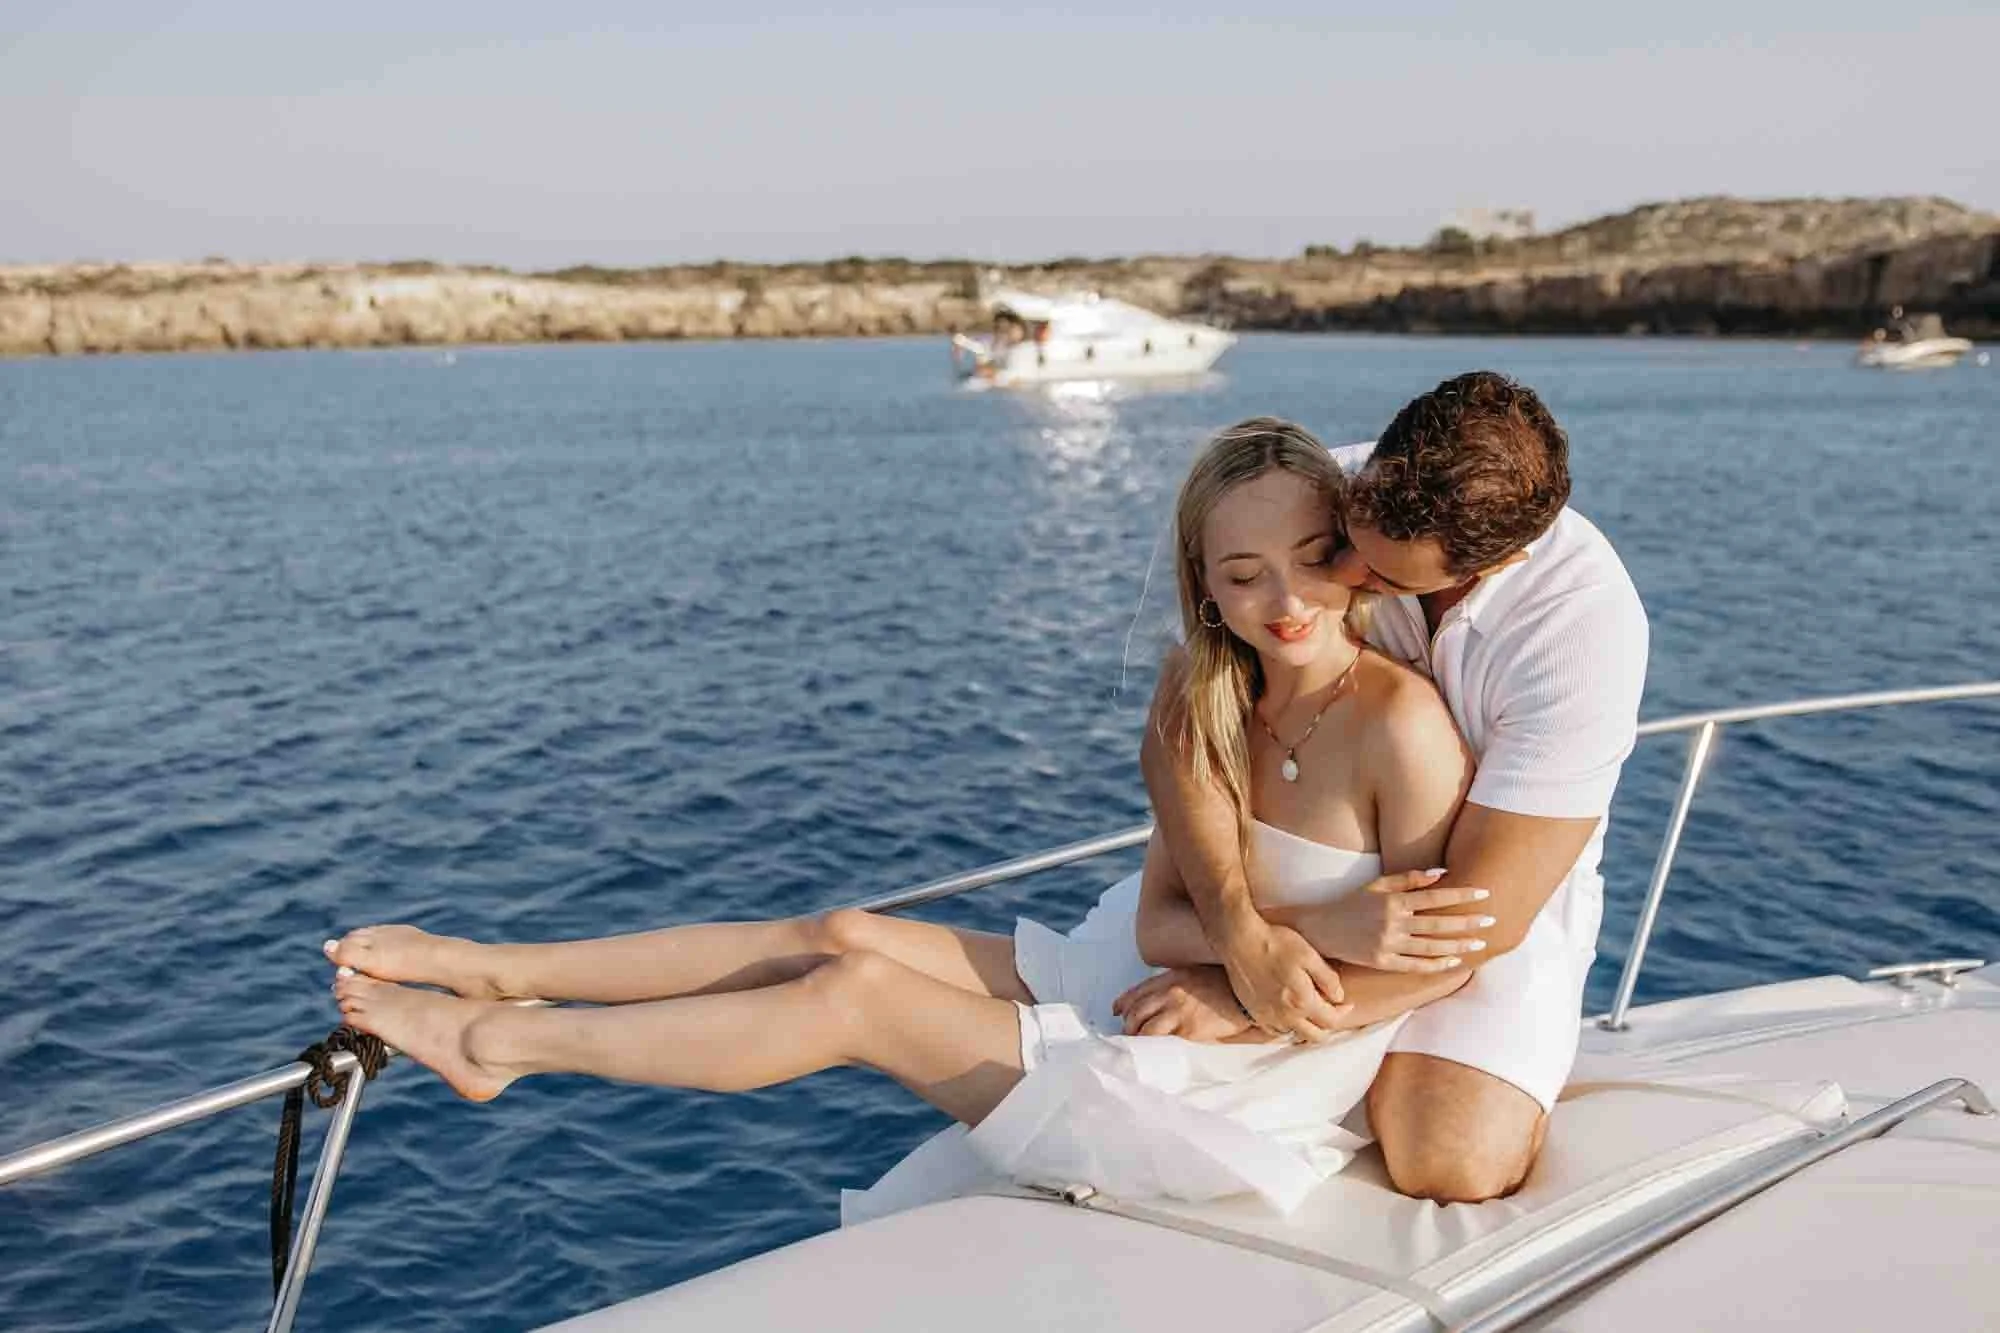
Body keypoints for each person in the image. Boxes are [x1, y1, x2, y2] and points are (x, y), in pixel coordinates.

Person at [325, 416, 1492, 1216]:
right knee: (842, 929)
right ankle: (494, 965)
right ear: (1202, 585)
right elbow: (1159, 919)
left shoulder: (1400, 728)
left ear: (1356, 553)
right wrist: (1269, 945)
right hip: (1140, 980)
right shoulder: (1201, 696)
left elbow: (1435, 972)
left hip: (1242, 1086)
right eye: (1242, 575)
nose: (1282, 600)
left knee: (855, 997)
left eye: (1312, 557)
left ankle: (497, 1044)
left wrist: (1246, 1004)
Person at [1138, 371, 1649, 1204]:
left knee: (1447, 1158)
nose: (1335, 574)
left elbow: (1484, 914)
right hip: (1322, 863)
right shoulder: (1327, 486)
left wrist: (1256, 1002)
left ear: (1497, 562)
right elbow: (1183, 704)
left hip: (1487, 899)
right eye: (1345, 538)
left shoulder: (1583, 633)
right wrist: (1239, 933)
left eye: (1378, 576)